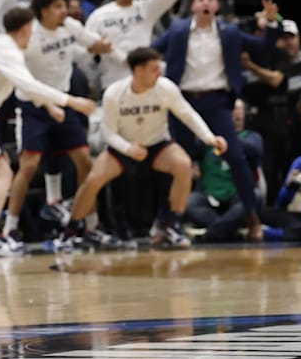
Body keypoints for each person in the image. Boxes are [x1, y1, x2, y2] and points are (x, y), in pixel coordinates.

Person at [0, 7, 98, 255]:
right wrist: (73, 102)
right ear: (26, 29)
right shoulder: (6, 50)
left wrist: (50, 106)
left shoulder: (1, 47)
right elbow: (29, 85)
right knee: (2, 172)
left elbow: (26, 86)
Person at [58, 48, 226, 251]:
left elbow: (188, 115)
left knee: (183, 165)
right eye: (154, 69)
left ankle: (170, 225)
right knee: (93, 180)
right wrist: (129, 149)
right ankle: (71, 231)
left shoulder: (165, 88)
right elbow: (108, 133)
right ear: (138, 71)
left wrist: (209, 137)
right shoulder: (114, 93)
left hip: (157, 145)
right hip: (123, 147)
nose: (159, 73)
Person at [152, 0, 280, 241]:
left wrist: (273, 22)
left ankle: (253, 218)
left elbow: (264, 46)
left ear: (218, 6)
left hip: (217, 101)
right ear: (193, 6)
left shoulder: (229, 32)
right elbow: (152, 50)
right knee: (177, 161)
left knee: (236, 156)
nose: (206, 3)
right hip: (183, 101)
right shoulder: (177, 30)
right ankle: (166, 222)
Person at [5, 0, 118, 244]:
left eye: (65, 5)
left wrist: (105, 45)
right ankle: (9, 228)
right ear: (43, 10)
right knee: (29, 166)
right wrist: (47, 105)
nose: (64, 11)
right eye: (57, 6)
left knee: (85, 163)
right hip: (33, 106)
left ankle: (91, 226)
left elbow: (95, 45)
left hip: (64, 103)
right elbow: (21, 79)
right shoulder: (29, 35)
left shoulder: (70, 25)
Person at [84, 0, 188, 87]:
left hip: (145, 80)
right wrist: (95, 48)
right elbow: (86, 45)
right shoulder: (99, 15)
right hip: (113, 81)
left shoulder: (147, 8)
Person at [186, 98, 265, 242]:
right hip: (209, 194)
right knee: (189, 203)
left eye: (238, 117)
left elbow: (255, 150)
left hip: (237, 195)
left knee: (254, 197)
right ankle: (229, 230)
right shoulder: (208, 140)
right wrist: (193, 163)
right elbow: (189, 151)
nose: (235, 118)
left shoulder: (252, 137)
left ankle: (212, 232)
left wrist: (227, 135)